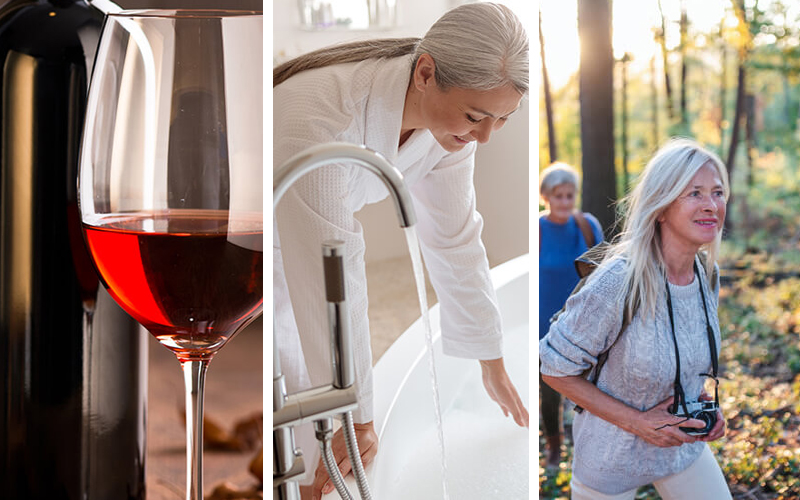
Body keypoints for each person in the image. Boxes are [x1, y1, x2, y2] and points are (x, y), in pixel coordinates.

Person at [272, 3, 529, 499]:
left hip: (312, 254)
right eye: (476, 117)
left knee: (329, 456)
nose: (485, 136)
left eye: (502, 120)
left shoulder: (448, 133)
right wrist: (359, 416)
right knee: (311, 445)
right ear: (426, 72)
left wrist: (491, 359)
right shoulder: (319, 117)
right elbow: (336, 272)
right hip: (265, 257)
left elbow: (455, 239)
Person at [539, 138, 732, 499]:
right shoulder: (618, 280)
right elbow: (552, 367)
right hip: (610, 460)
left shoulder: (707, 273)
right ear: (661, 206)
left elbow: (682, 355)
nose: (711, 206)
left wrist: (703, 403)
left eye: (718, 192)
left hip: (681, 446)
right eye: (694, 194)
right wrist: (639, 423)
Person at [538, 162, 603, 471]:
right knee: (549, 392)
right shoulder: (536, 229)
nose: (564, 202)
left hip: (583, 323)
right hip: (544, 324)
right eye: (558, 196)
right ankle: (553, 444)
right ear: (546, 197)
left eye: (569, 195)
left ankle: (585, 446)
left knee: (587, 389)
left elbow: (605, 274)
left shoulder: (587, 226)